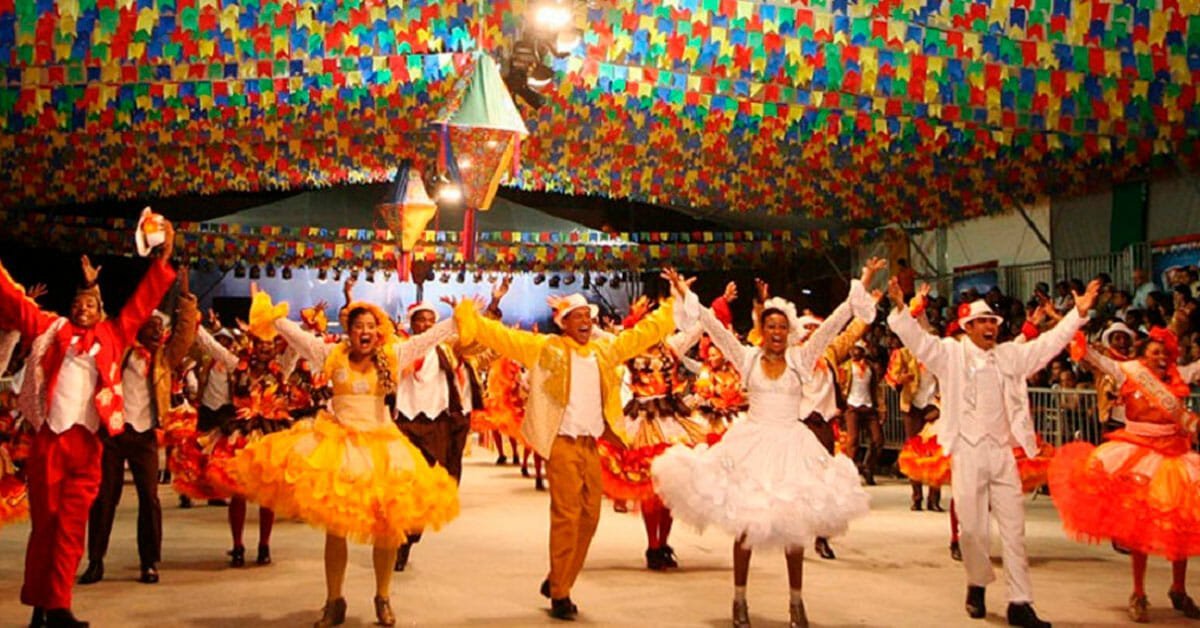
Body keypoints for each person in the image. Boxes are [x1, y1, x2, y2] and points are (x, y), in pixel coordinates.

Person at [652, 260, 882, 628]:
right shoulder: (747, 358)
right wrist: (683, 292)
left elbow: (834, 324)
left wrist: (864, 281)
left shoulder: (801, 358)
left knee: (795, 530)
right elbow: (715, 327)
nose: (776, 332)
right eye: (770, 326)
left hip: (793, 445)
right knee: (747, 527)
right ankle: (739, 600)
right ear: (762, 329)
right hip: (753, 444)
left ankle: (796, 603)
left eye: (782, 327)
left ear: (789, 331)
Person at [451, 273, 685, 620]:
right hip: (562, 445)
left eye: (589, 319)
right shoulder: (548, 349)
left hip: (592, 446)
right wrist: (471, 316)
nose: (587, 324)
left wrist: (673, 304)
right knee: (566, 517)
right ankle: (561, 592)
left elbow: (641, 335)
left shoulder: (604, 350)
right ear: (564, 324)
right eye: (579, 318)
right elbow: (504, 338)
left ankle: (558, 577)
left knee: (589, 518)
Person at [885, 275, 1100, 628]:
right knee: (972, 529)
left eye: (993, 322)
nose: (990, 327)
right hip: (968, 451)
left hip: (1002, 452)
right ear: (968, 326)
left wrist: (1076, 314)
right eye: (982, 322)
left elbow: (1048, 344)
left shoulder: (1010, 355)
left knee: (1015, 530)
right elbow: (916, 339)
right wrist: (899, 307)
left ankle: (1020, 601)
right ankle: (977, 582)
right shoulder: (949, 354)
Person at [236, 292, 460, 627]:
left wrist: (460, 318)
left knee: (388, 528)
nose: (364, 332)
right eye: (358, 327)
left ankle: (383, 598)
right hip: (337, 448)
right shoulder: (330, 353)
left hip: (383, 450)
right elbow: (295, 335)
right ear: (349, 330)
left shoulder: (393, 354)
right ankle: (333, 601)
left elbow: (431, 337)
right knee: (336, 529)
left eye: (371, 326)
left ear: (379, 330)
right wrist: (273, 317)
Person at [3, 225, 178, 628]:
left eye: (91, 302)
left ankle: (59, 606)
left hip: (88, 446)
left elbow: (142, 301)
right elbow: (14, 300)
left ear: (101, 310)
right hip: (50, 441)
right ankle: (40, 605)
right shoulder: (51, 330)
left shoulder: (114, 336)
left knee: (72, 527)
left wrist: (162, 260)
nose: (83, 307)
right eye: (78, 302)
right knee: (46, 527)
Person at [1050, 329, 1200, 623]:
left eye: (1164, 353)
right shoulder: (1127, 372)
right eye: (1155, 352)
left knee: (1180, 524)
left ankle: (1179, 589)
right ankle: (1138, 592)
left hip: (1175, 457)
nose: (1160, 358)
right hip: (1137, 456)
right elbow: (1096, 359)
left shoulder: (1179, 375)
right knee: (1138, 530)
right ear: (1144, 354)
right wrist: (1074, 331)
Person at [79, 272, 199, 586]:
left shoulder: (164, 359)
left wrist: (186, 298)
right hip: (114, 432)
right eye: (154, 327)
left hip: (145, 434)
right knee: (105, 498)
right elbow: (102, 320)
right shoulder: (120, 348)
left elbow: (185, 334)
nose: (159, 333)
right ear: (140, 327)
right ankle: (95, 561)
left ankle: (149, 563)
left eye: (161, 328)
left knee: (150, 499)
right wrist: (92, 287)